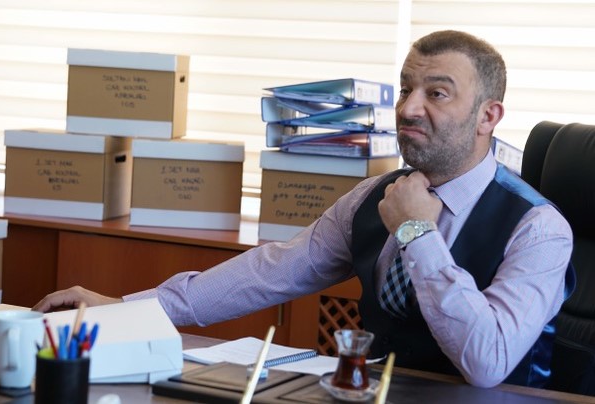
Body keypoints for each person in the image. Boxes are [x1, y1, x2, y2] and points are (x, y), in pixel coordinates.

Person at [33, 30, 574, 389]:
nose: (408, 107)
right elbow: (266, 273)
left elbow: (487, 362)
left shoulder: (540, 229)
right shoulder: (372, 197)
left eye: (437, 93)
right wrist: (124, 308)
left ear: (488, 116)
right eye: (406, 88)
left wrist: (416, 232)